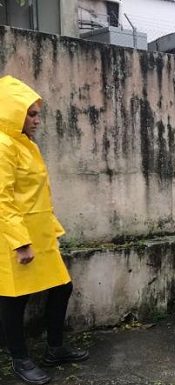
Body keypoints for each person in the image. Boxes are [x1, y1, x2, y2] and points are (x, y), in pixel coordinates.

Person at [0, 76, 89, 385]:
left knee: (61, 287)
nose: (37, 120)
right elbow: (3, 199)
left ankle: (55, 348)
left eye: (38, 114)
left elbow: (39, 193)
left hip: (40, 234)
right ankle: (19, 358)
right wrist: (20, 242)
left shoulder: (27, 145)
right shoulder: (3, 145)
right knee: (14, 298)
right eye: (31, 114)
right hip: (15, 237)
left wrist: (51, 229)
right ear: (12, 112)